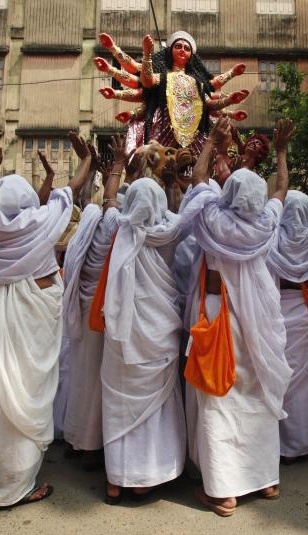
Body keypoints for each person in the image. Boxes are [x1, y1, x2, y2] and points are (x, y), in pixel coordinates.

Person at [0, 132, 92, 508]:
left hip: (1, 311)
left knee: (7, 396)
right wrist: (84, 160)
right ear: (29, 202)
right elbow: (72, 189)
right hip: (33, 314)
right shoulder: (40, 222)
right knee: (26, 397)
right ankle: (12, 487)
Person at [185, 117, 293, 516]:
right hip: (260, 322)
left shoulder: (214, 219)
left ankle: (224, 490)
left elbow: (198, 176)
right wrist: (281, 152)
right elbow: (281, 189)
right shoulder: (266, 223)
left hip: (220, 318)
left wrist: (212, 142)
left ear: (228, 192)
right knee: (257, 394)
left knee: (219, 397)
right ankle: (264, 480)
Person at [97, 135, 208, 502]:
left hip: (122, 336)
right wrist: (184, 175)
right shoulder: (171, 229)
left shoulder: (118, 227)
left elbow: (110, 200)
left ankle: (117, 477)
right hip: (158, 330)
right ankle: (148, 475)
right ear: (159, 203)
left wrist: (120, 170)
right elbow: (192, 209)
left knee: (119, 405)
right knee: (154, 407)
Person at [266, 150, 308, 464]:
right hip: (305, 315)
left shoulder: (270, 237)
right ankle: (300, 443)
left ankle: (273, 443)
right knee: (302, 379)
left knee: (274, 376)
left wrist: (282, 157)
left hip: (274, 313)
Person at [61, 140, 118, 470]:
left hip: (83, 312)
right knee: (98, 382)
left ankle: (77, 440)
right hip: (100, 314)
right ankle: (94, 444)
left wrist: (95, 167)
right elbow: (103, 203)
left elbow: (88, 203)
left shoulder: (84, 236)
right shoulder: (111, 235)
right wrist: (118, 168)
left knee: (80, 380)